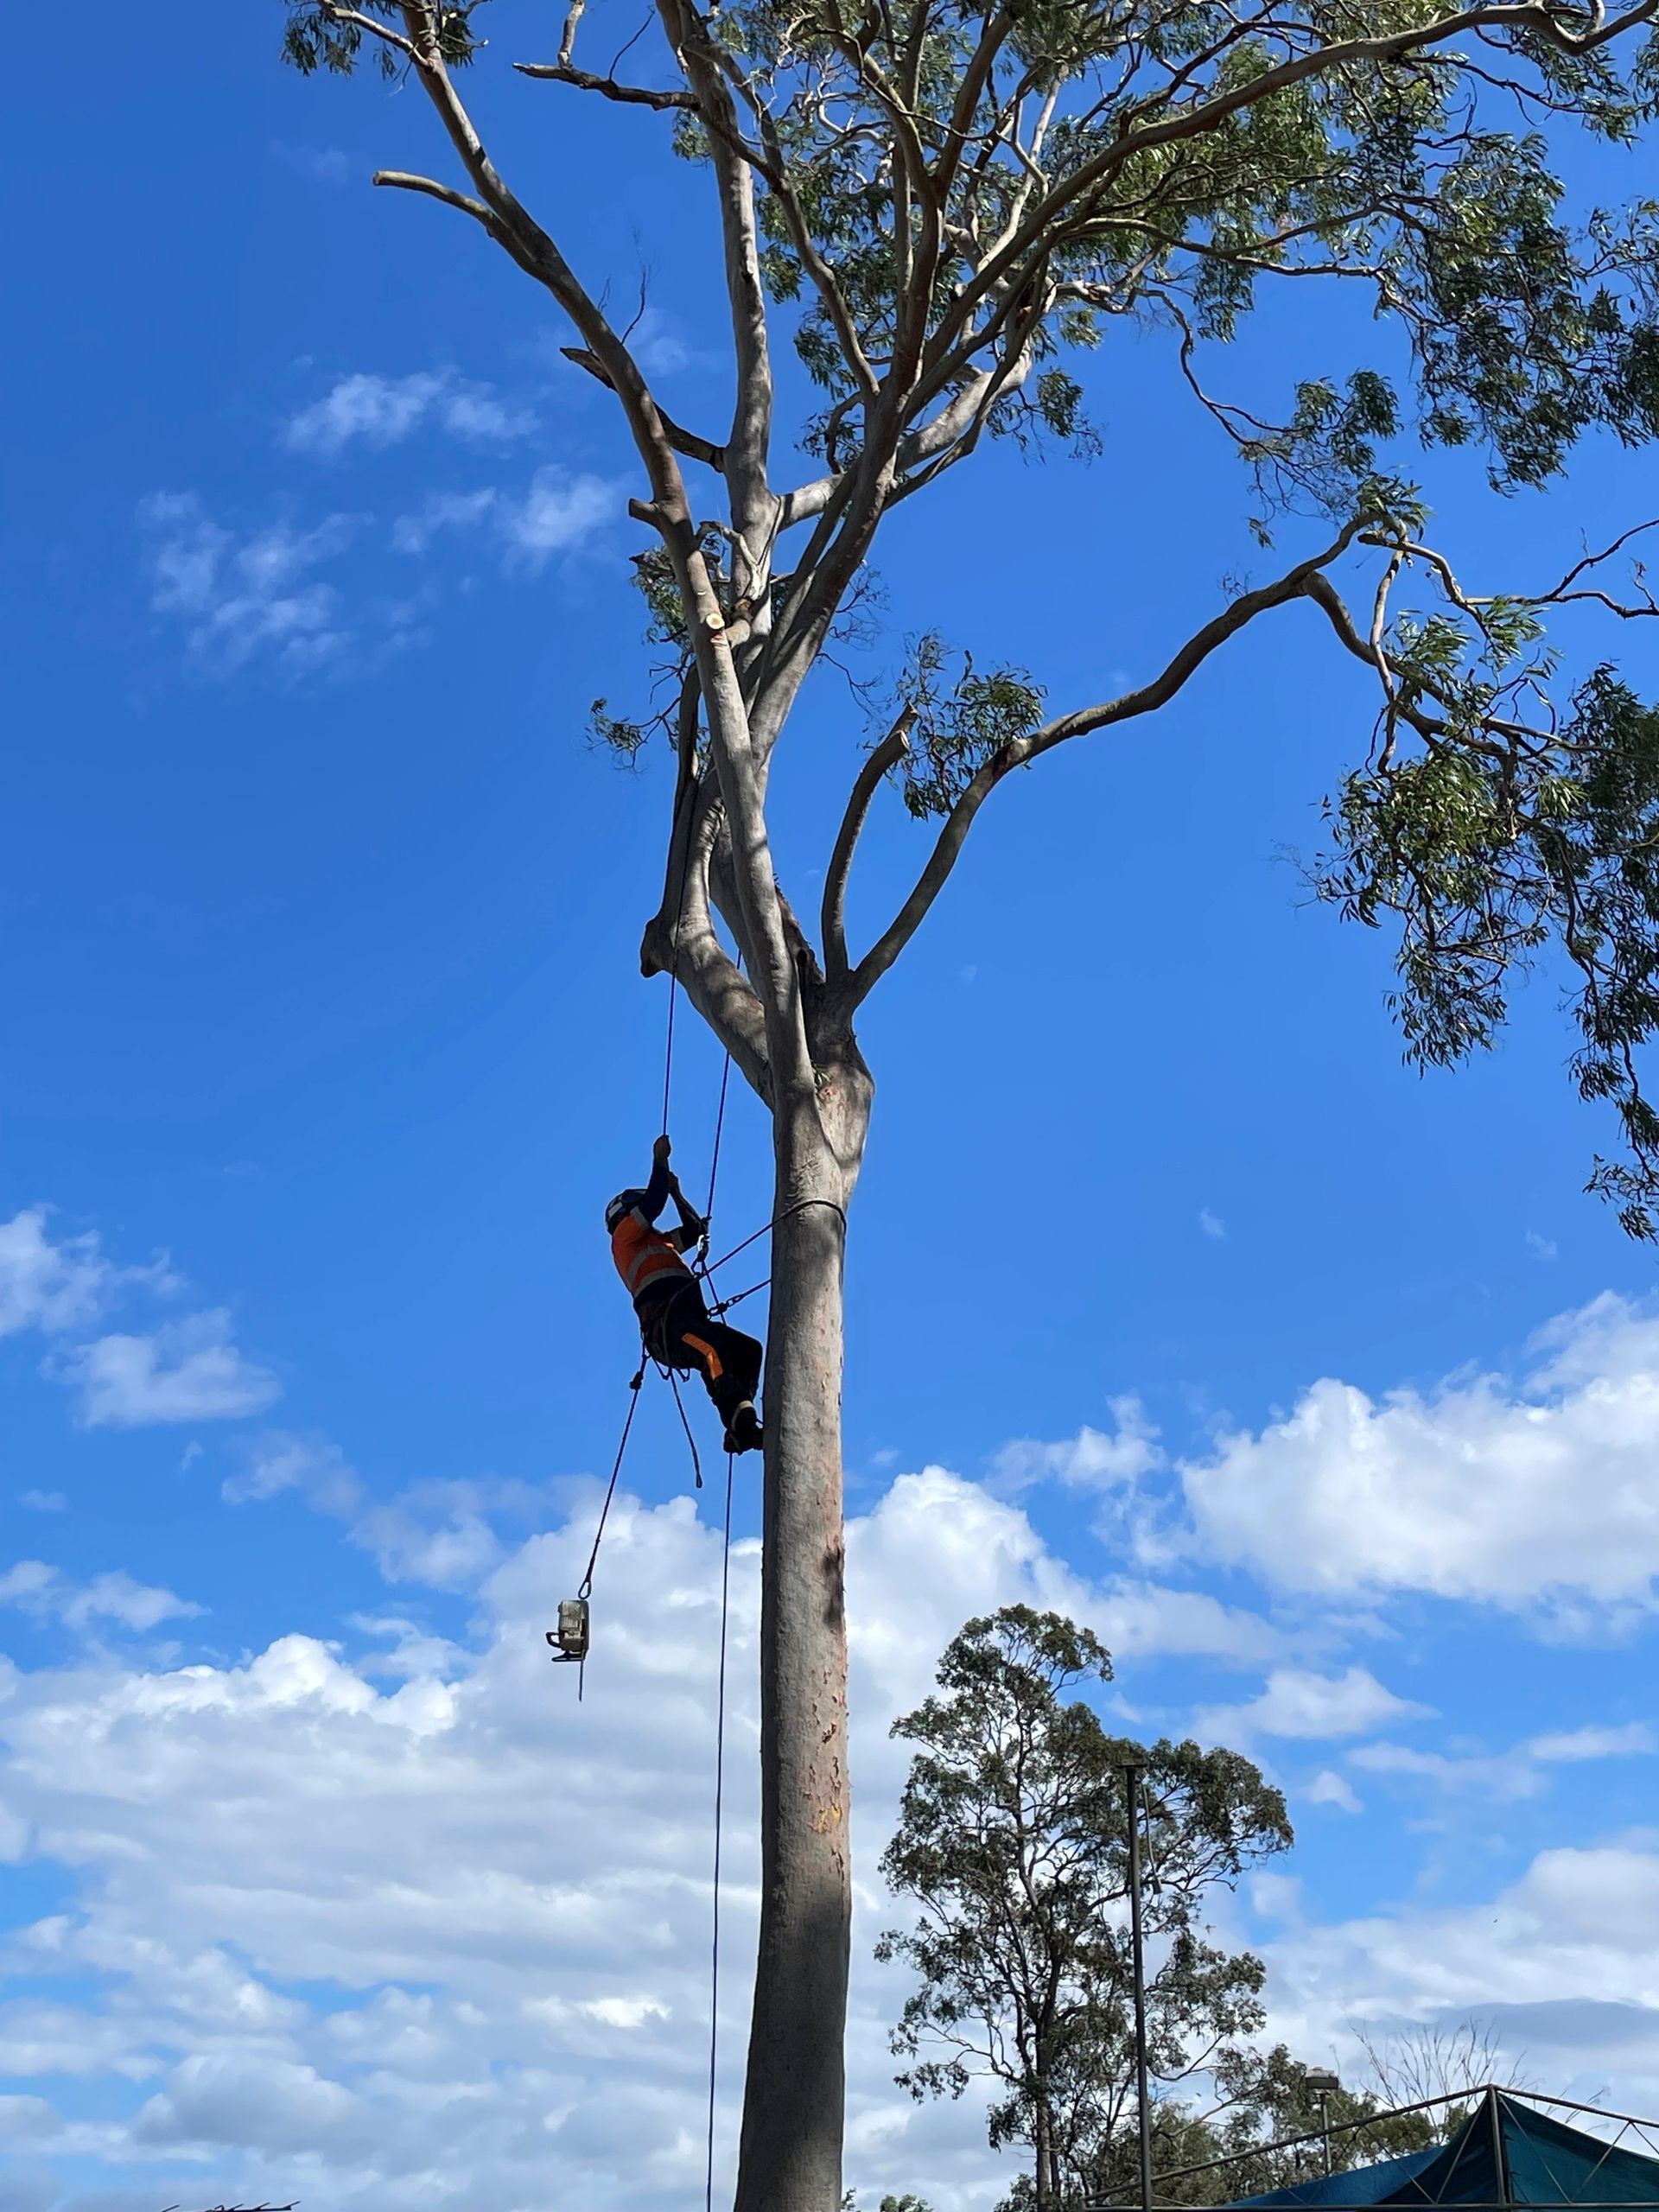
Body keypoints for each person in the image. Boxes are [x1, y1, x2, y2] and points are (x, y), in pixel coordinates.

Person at [607, 1135, 764, 1455]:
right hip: (668, 1326)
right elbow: (653, 1201)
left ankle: (740, 1420)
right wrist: (660, 1162)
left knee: (748, 1350)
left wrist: (677, 1194)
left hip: (687, 1319)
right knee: (711, 1352)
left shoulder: (660, 1243)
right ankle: (736, 1414)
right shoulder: (624, 1238)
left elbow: (694, 1230)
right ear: (625, 1213)